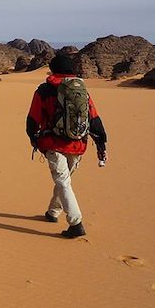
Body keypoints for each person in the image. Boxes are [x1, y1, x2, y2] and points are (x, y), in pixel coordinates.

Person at [26, 54, 108, 238]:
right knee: (64, 181)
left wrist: (33, 137)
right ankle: (53, 212)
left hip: (54, 143)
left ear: (53, 69)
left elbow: (33, 118)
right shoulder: (81, 91)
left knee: (63, 182)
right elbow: (94, 118)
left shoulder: (44, 90)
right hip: (78, 144)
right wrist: (101, 144)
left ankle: (76, 223)